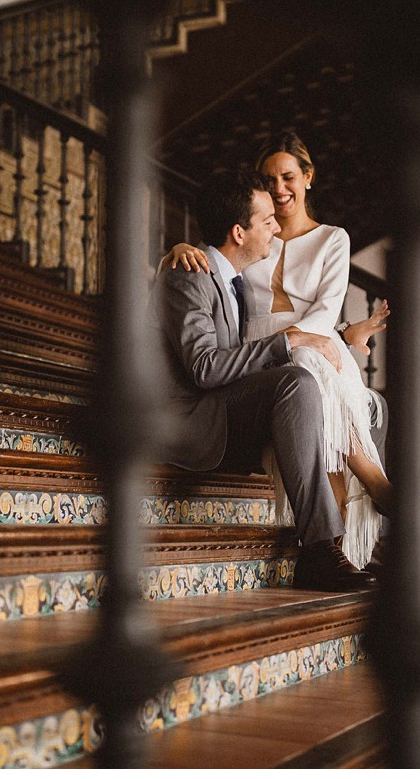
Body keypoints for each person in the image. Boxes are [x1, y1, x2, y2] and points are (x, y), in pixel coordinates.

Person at [164, 133, 391, 569]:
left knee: (359, 396)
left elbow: (321, 316)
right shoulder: (239, 244)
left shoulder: (328, 238)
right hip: (258, 362)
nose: (279, 189)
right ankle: (372, 492)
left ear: (308, 177)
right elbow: (207, 277)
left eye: (288, 177)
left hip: (308, 346)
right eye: (269, 181)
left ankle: (346, 547)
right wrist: (171, 253)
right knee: (304, 374)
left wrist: (340, 335)